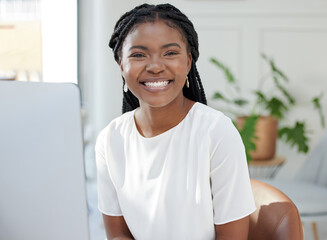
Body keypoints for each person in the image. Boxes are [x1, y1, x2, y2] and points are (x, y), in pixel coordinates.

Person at [95, 3, 256, 240]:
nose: (156, 67)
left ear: (189, 62)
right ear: (121, 65)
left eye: (170, 53)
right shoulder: (110, 139)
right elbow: (118, 234)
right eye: (138, 55)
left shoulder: (217, 132)